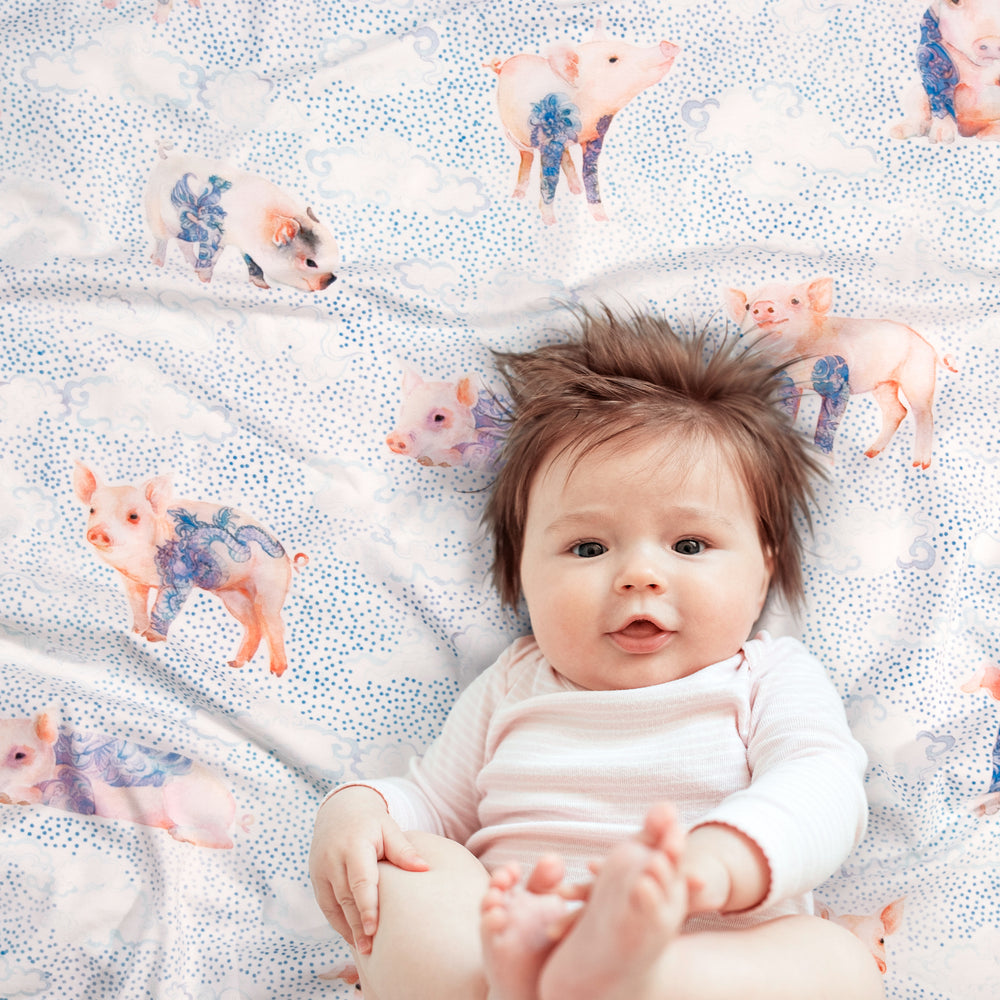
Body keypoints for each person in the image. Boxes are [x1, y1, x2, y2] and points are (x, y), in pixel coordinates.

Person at [309, 307, 883, 1000]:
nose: (640, 575)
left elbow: (822, 786)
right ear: (524, 575)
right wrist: (357, 813)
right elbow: (431, 801)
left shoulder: (766, 678)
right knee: (412, 868)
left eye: (690, 545)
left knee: (834, 961)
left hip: (700, 955)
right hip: (509, 947)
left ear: (763, 568)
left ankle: (634, 976)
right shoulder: (516, 684)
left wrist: (712, 866)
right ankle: (515, 983)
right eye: (588, 548)